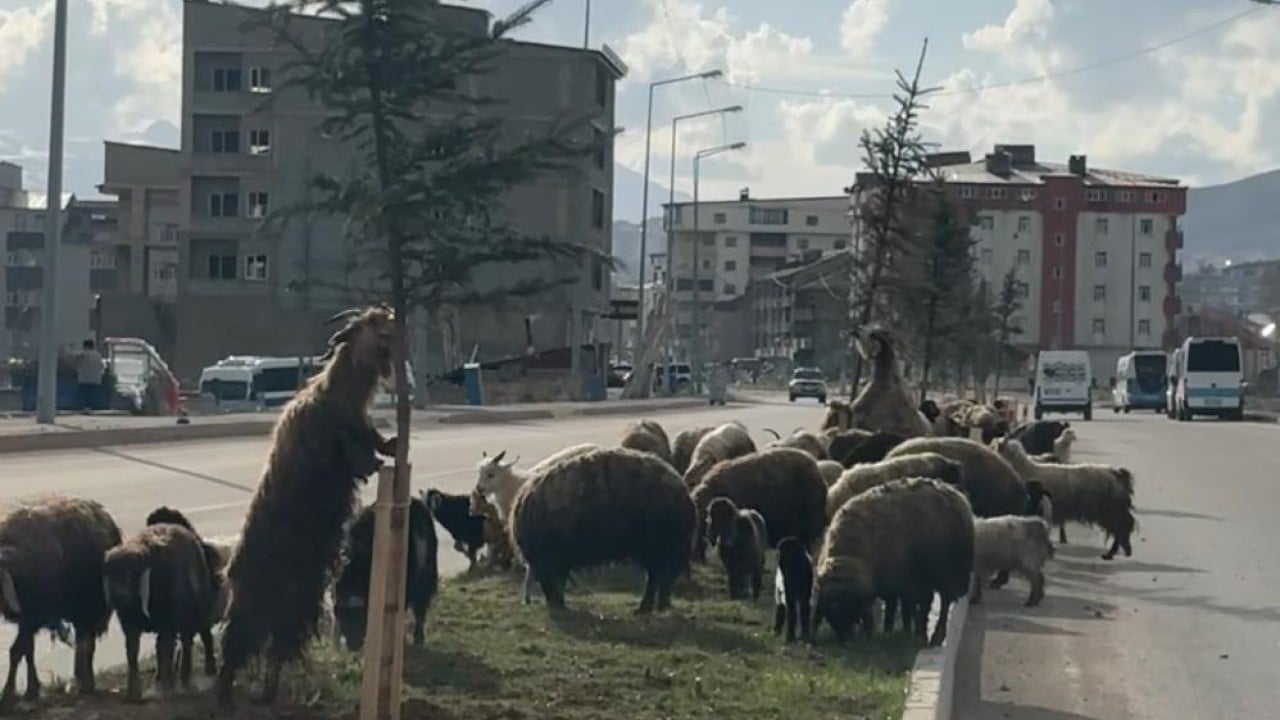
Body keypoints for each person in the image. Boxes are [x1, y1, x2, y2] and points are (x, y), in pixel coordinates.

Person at [76, 339, 105, 413]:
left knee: (84, 395)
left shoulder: (82, 354)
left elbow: (76, 362)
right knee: (92, 395)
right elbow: (102, 366)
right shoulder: (98, 354)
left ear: (85, 346)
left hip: (84, 378)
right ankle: (91, 408)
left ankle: (85, 408)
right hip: (95, 379)